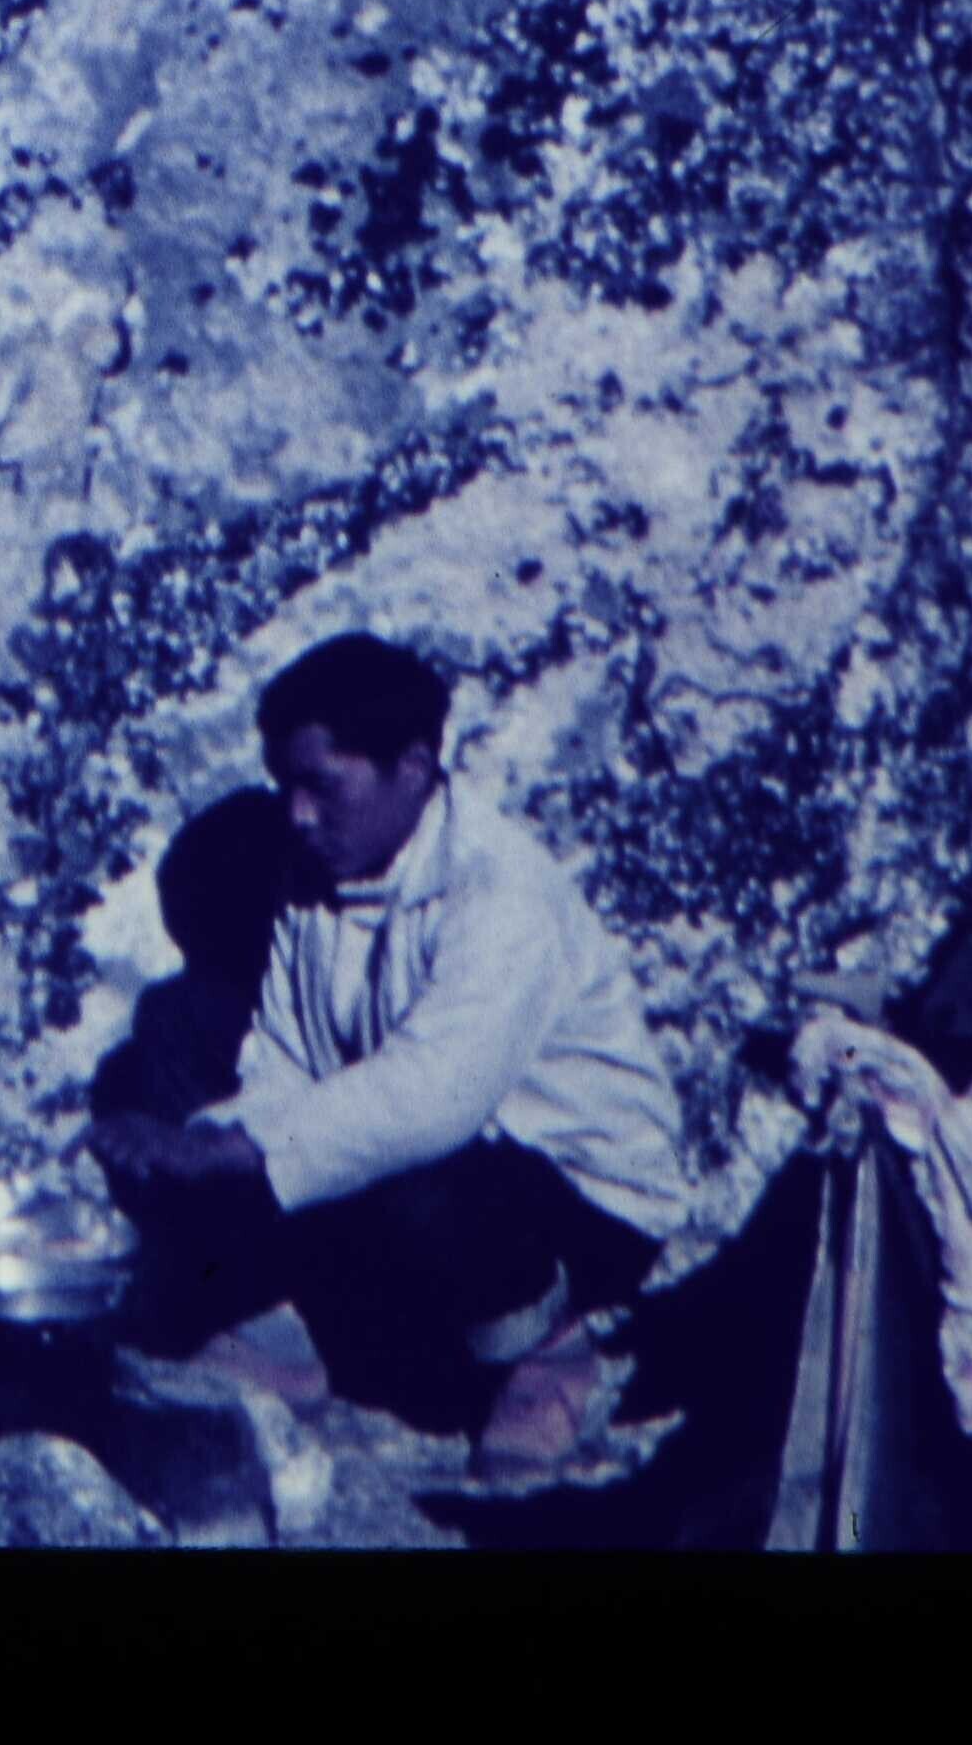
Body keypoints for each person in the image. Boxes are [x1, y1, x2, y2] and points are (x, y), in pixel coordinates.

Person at [82, 632, 695, 1476]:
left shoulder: (499, 891)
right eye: (286, 787)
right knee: (177, 1036)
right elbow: (287, 1058)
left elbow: (433, 1097)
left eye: (322, 786)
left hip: (578, 1200)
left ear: (412, 767)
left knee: (414, 1169)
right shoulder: (314, 876)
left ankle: (549, 1354)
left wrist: (236, 1150)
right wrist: (203, 1141)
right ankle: (288, 1332)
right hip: (415, 1149)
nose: (297, 814)